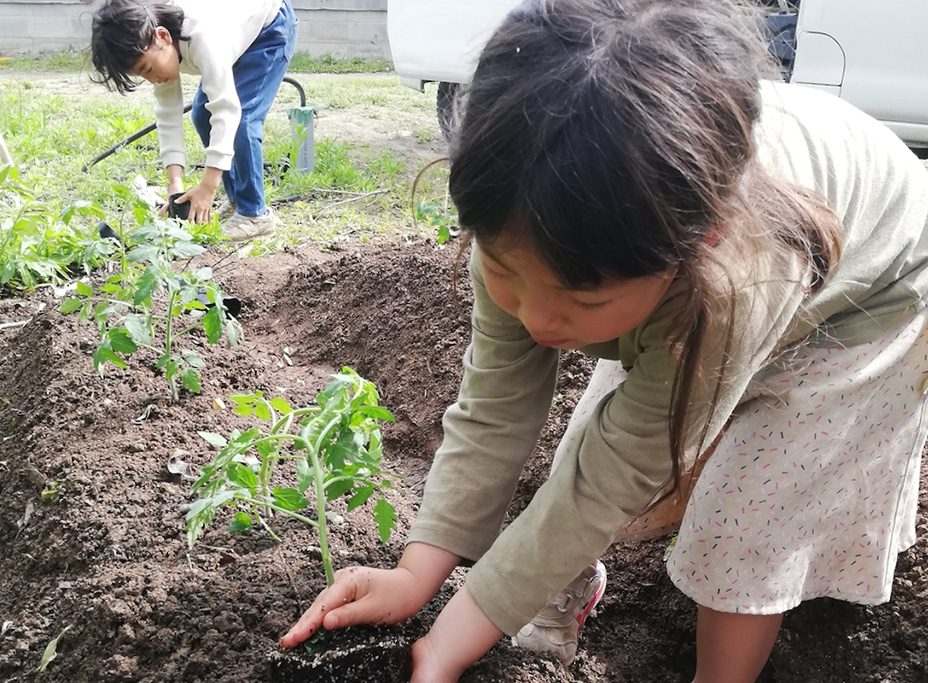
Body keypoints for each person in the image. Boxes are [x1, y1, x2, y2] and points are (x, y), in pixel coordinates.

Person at [280, 0, 928, 681]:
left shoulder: (731, 274)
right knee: (583, 451)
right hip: (692, 293)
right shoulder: (523, 213)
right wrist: (417, 574)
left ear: (691, 244)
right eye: (504, 274)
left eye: (579, 299)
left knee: (743, 522)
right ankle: (562, 591)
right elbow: (495, 408)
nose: (534, 319)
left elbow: (612, 476)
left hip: (869, 298)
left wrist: (448, 643)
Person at [91, 0, 297, 241]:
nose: (151, 79)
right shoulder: (160, 43)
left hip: (269, 29)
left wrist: (208, 186)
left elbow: (227, 110)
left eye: (147, 69)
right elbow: (168, 115)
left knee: (242, 121)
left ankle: (255, 215)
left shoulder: (203, 37)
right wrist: (174, 184)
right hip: (233, 33)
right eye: (141, 75)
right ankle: (238, 200)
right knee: (202, 115)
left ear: (163, 36)